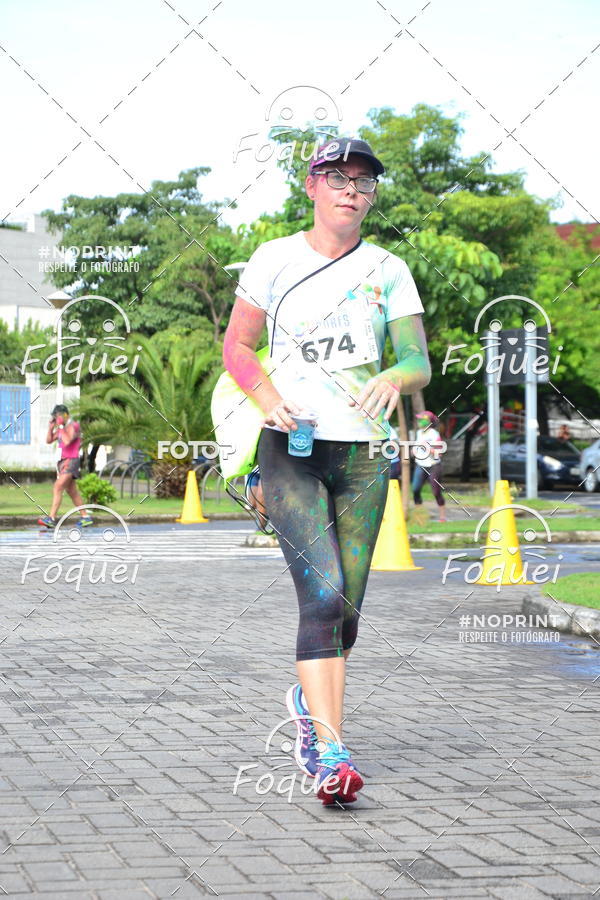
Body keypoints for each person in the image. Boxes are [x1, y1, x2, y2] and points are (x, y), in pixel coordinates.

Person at [222, 137, 431, 805]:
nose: (351, 189)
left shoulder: (388, 268)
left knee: (347, 611)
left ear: (371, 197)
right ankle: (329, 751)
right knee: (322, 594)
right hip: (294, 449)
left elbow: (417, 361)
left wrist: (397, 376)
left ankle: (310, 708)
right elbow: (238, 346)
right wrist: (265, 399)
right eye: (336, 177)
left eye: (363, 182)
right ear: (310, 186)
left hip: (365, 456)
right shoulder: (273, 259)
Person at [38, 404, 93, 528]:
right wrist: (51, 428)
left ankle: (51, 518)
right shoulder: (61, 428)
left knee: (58, 487)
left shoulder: (74, 426)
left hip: (71, 461)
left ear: (64, 415)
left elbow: (68, 440)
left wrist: (61, 427)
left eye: (57, 416)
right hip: (63, 462)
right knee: (72, 491)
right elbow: (48, 440)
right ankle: (85, 517)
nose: (56, 418)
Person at [411, 410, 446, 522]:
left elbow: (439, 453)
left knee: (436, 492)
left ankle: (442, 517)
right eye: (418, 419)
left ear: (429, 422)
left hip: (433, 465)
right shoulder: (419, 433)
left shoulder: (434, 434)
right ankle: (419, 516)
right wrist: (413, 451)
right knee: (415, 489)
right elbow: (416, 447)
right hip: (420, 465)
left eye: (422, 419)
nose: (419, 421)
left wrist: (428, 449)